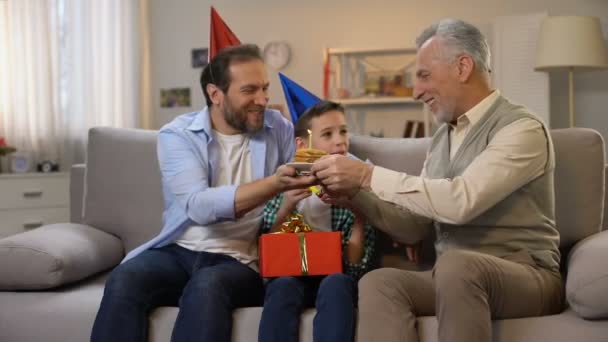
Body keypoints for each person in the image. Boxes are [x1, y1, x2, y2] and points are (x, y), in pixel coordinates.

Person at [311, 18, 563, 342]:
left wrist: (367, 174)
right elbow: (414, 226)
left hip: (527, 276)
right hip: (452, 276)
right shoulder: (443, 135)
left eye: (424, 76)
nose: (416, 91)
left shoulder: (521, 130)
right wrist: (354, 194)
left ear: (462, 67)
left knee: (457, 267)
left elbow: (461, 202)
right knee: (379, 283)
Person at [90, 44, 316, 342]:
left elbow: (313, 162)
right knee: (124, 278)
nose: (262, 100)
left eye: (265, 88)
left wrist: (356, 170)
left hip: (240, 257)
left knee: (207, 285)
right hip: (178, 249)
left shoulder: (278, 128)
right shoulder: (178, 135)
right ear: (215, 94)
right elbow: (198, 206)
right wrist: (275, 183)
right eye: (250, 90)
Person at [258, 100, 377, 342]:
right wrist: (287, 206)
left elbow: (355, 267)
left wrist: (358, 213)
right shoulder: (285, 182)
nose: (339, 140)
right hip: (289, 274)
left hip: (336, 275)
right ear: (302, 145)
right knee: (282, 286)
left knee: (337, 283)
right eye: (327, 134)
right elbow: (267, 253)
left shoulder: (358, 187)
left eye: (343, 131)